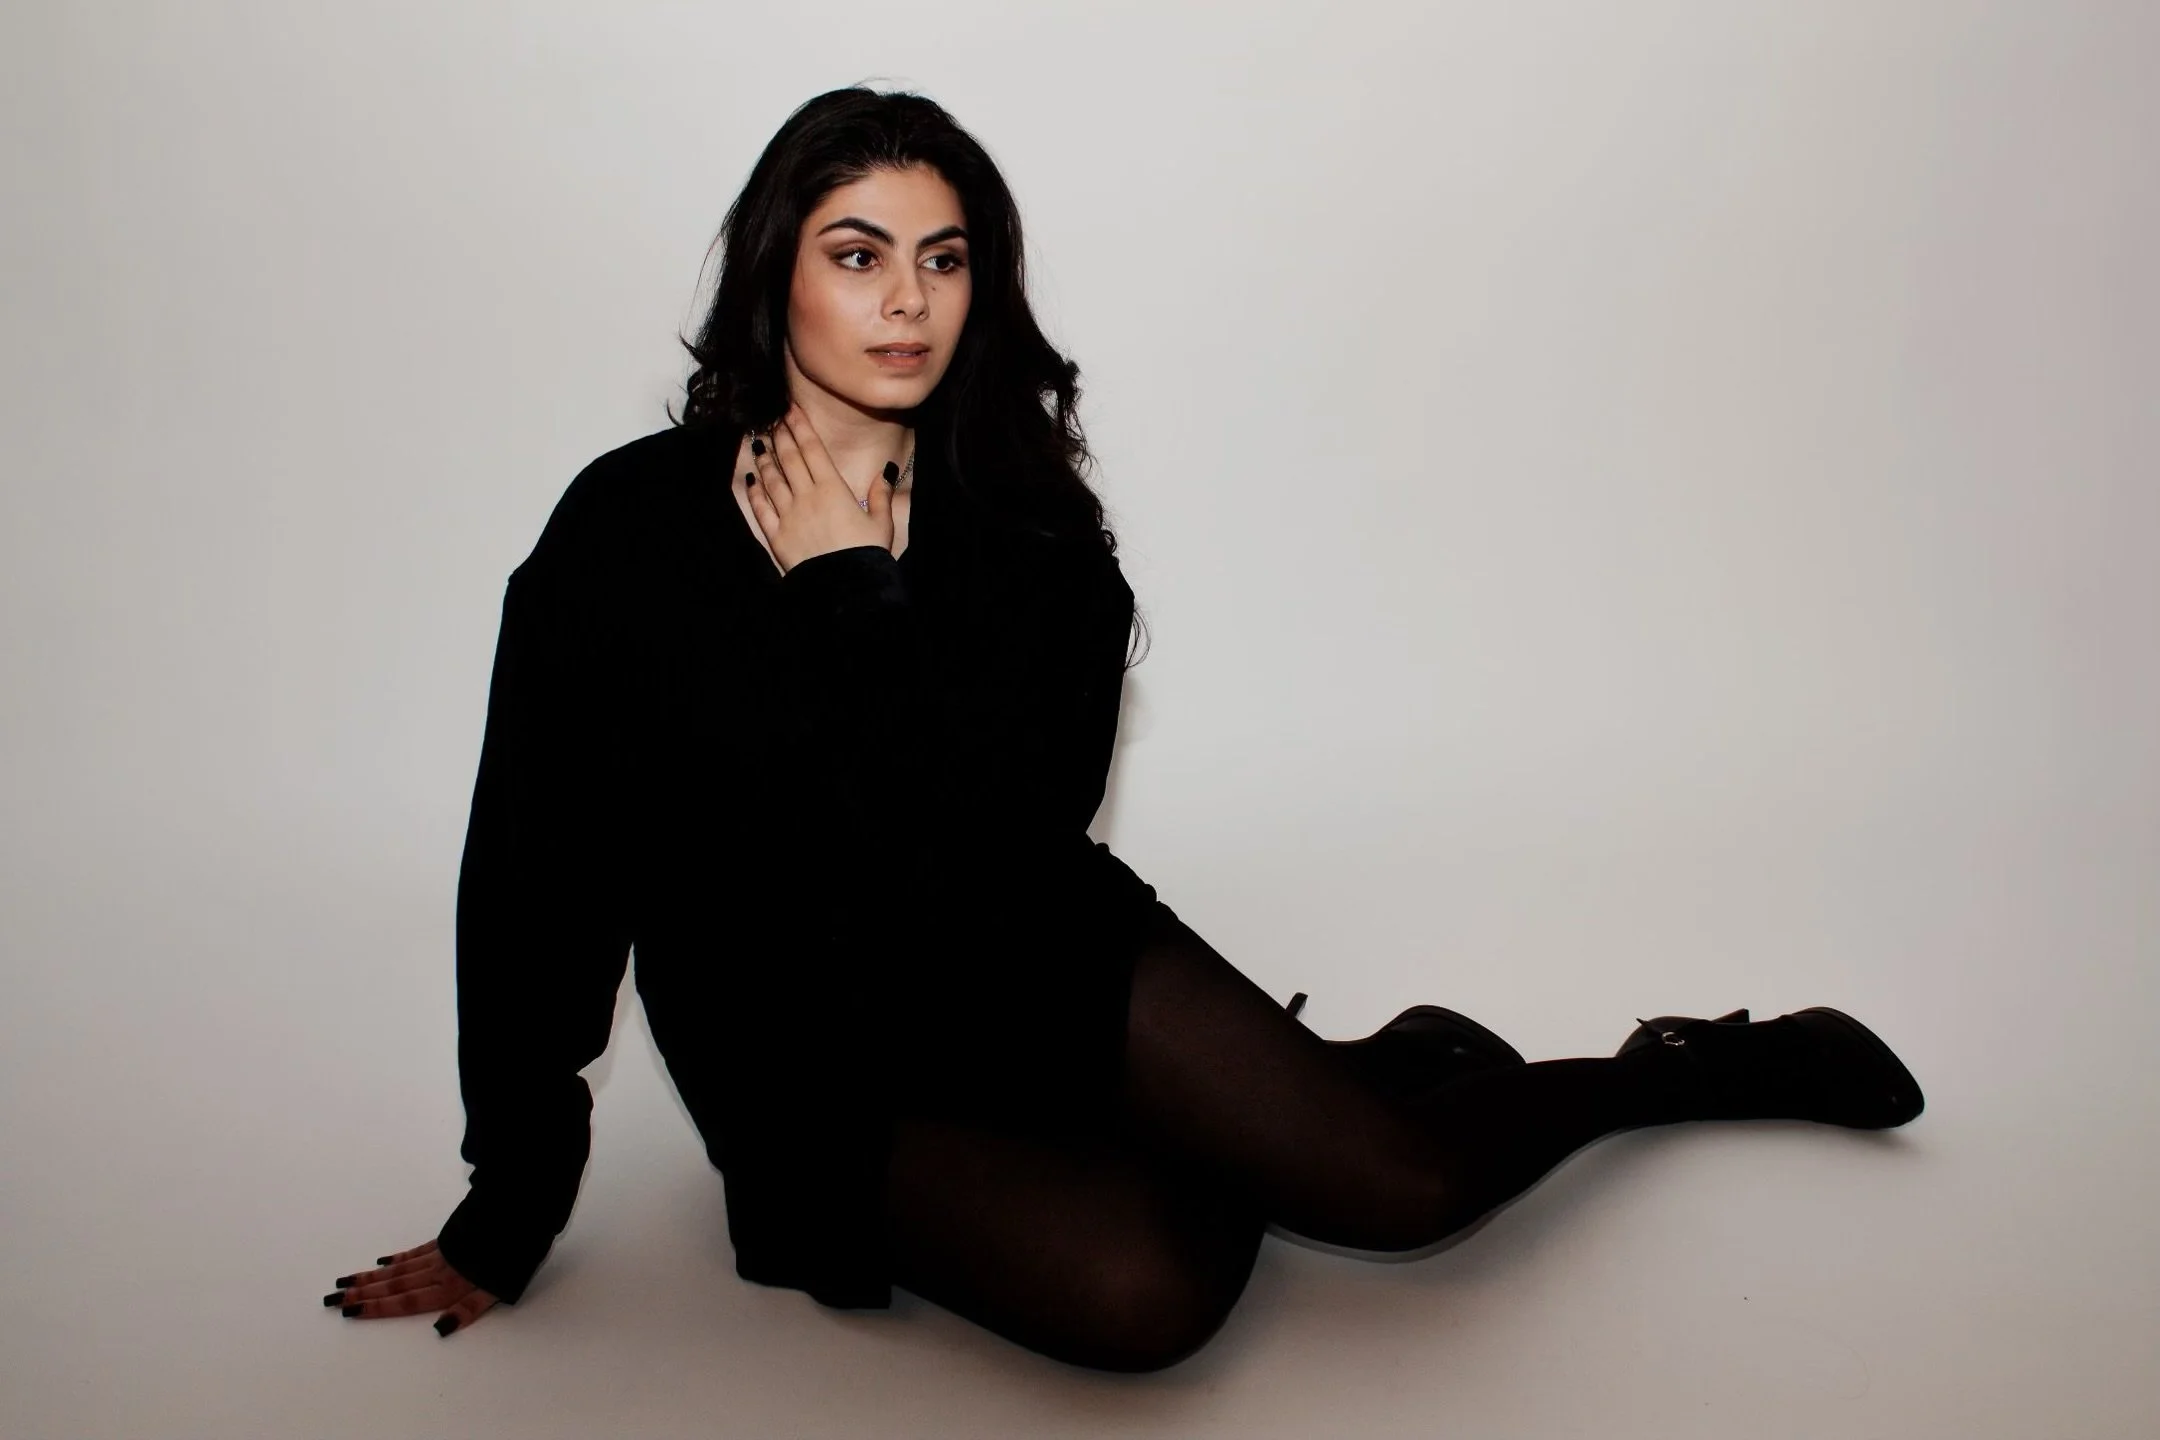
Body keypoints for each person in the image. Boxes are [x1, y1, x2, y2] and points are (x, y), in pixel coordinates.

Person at [322, 85, 1925, 1373]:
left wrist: (852, 594)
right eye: (857, 254)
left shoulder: (1022, 529)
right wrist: (512, 1201)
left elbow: (993, 851)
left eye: (945, 259)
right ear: (775, 272)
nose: (907, 301)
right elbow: (536, 873)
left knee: (1406, 1190)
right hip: (801, 1047)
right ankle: (1333, 1079)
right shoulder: (628, 534)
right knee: (1148, 1302)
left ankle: (1665, 1072)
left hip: (1020, 951)